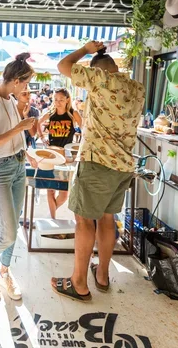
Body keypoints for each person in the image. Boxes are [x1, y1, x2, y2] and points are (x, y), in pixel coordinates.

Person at [51, 42, 145, 302]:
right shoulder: (137, 88)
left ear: (98, 72)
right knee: (107, 219)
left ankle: (78, 282)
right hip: (123, 165)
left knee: (83, 220)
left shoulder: (100, 81)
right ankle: (102, 275)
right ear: (115, 67)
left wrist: (86, 49)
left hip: (96, 162)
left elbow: (63, 66)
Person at [0, 53, 37, 300]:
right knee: (8, 232)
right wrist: (19, 128)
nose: (26, 88)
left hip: (18, 165)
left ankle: (4, 271)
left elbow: (12, 138)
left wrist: (26, 151)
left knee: (15, 224)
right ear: (15, 81)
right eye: (25, 83)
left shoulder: (9, 100)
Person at [38, 88, 83, 218]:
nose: (58, 102)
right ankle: (53, 219)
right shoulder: (51, 113)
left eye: (61, 100)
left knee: (64, 193)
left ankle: (50, 216)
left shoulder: (72, 114)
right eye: (56, 100)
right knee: (50, 189)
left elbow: (84, 128)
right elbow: (38, 122)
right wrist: (42, 137)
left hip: (65, 155)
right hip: (51, 153)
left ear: (67, 100)